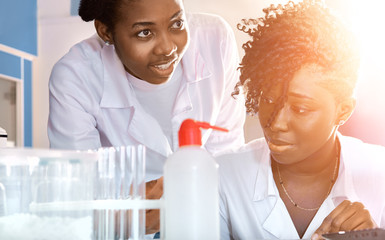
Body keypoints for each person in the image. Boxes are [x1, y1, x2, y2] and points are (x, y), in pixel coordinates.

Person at [216, 0, 385, 239]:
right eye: (269, 100)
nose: (276, 124)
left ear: (343, 111)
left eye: (301, 108)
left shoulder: (380, 173)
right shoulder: (223, 176)